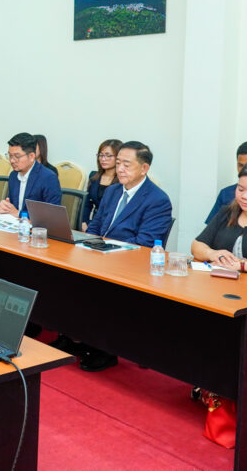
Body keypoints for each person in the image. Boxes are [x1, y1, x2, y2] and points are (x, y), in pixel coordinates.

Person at [80, 140, 173, 371]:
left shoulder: (157, 200)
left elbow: (144, 245)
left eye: (126, 165)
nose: (120, 169)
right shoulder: (113, 191)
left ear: (144, 168)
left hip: (129, 265)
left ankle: (106, 349)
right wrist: (86, 245)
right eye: (118, 163)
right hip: (100, 255)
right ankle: (75, 336)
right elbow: (96, 225)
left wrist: (106, 251)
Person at [0, 132, 61, 215]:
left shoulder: (48, 178)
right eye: (10, 155)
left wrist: (19, 214)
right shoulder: (13, 175)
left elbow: (52, 215)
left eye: (17, 156)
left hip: (37, 224)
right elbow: (13, 208)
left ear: (31, 156)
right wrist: (6, 207)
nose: (12, 160)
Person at [81, 139, 123, 230]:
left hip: (113, 226)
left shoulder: (123, 180)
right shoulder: (94, 177)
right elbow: (87, 204)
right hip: (94, 224)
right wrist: (84, 222)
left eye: (108, 156)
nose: (103, 159)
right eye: (101, 155)